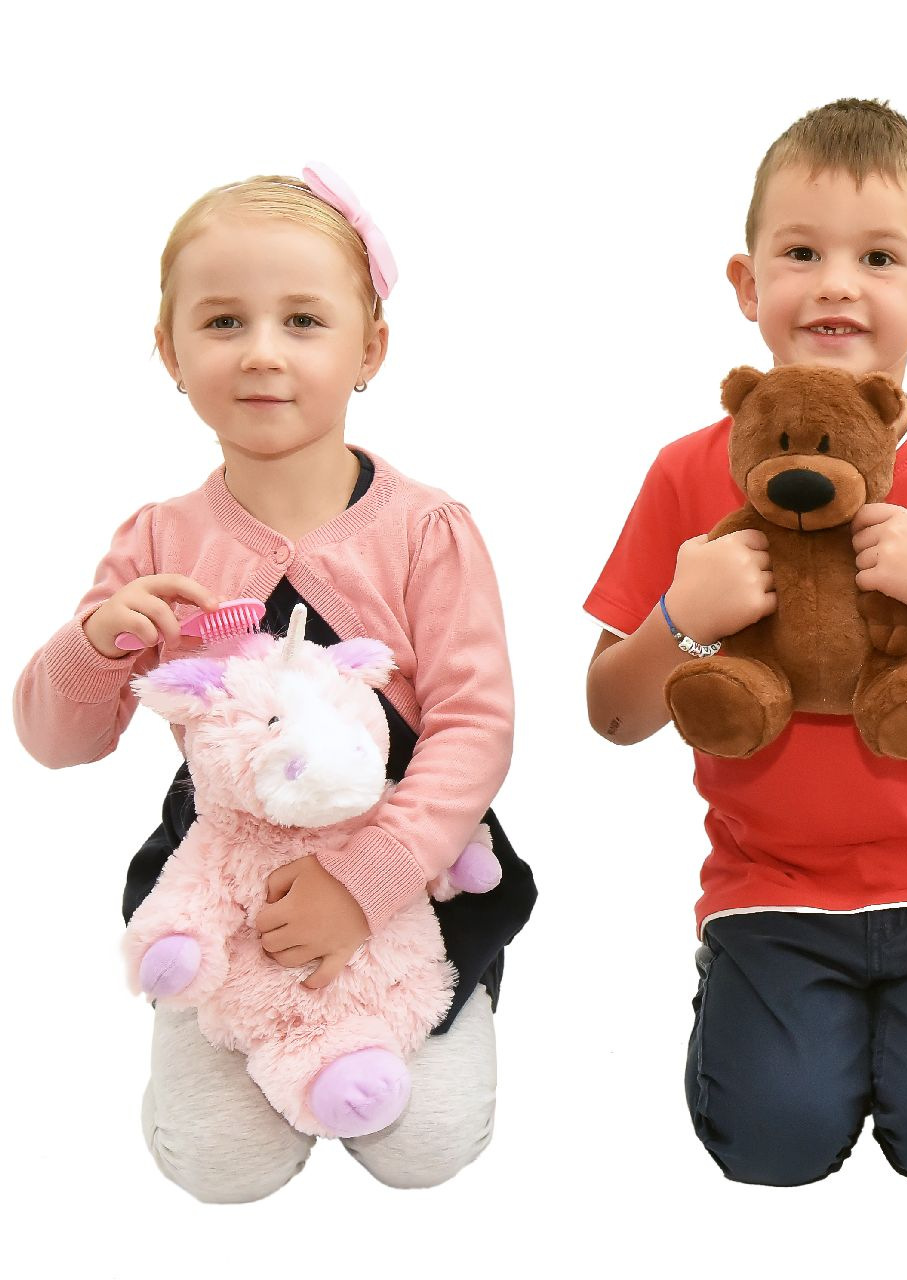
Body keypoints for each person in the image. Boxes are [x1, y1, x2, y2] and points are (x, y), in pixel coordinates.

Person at [13, 166, 535, 1202]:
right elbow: (53, 741)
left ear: (367, 349)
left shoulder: (427, 529)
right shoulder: (157, 538)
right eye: (222, 321)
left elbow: (475, 728)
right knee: (220, 1167)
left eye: (302, 319)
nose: (261, 351)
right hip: (229, 877)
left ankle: (422, 996)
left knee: (423, 1146)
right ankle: (236, 1026)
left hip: (408, 868)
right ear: (170, 351)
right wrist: (97, 643)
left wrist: (366, 880)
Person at [584, 99, 907, 1190]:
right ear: (746, 284)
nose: (836, 284)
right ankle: (777, 1030)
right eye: (800, 253)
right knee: (771, 1148)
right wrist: (682, 617)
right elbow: (612, 714)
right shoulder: (687, 470)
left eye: (877, 257)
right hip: (772, 886)